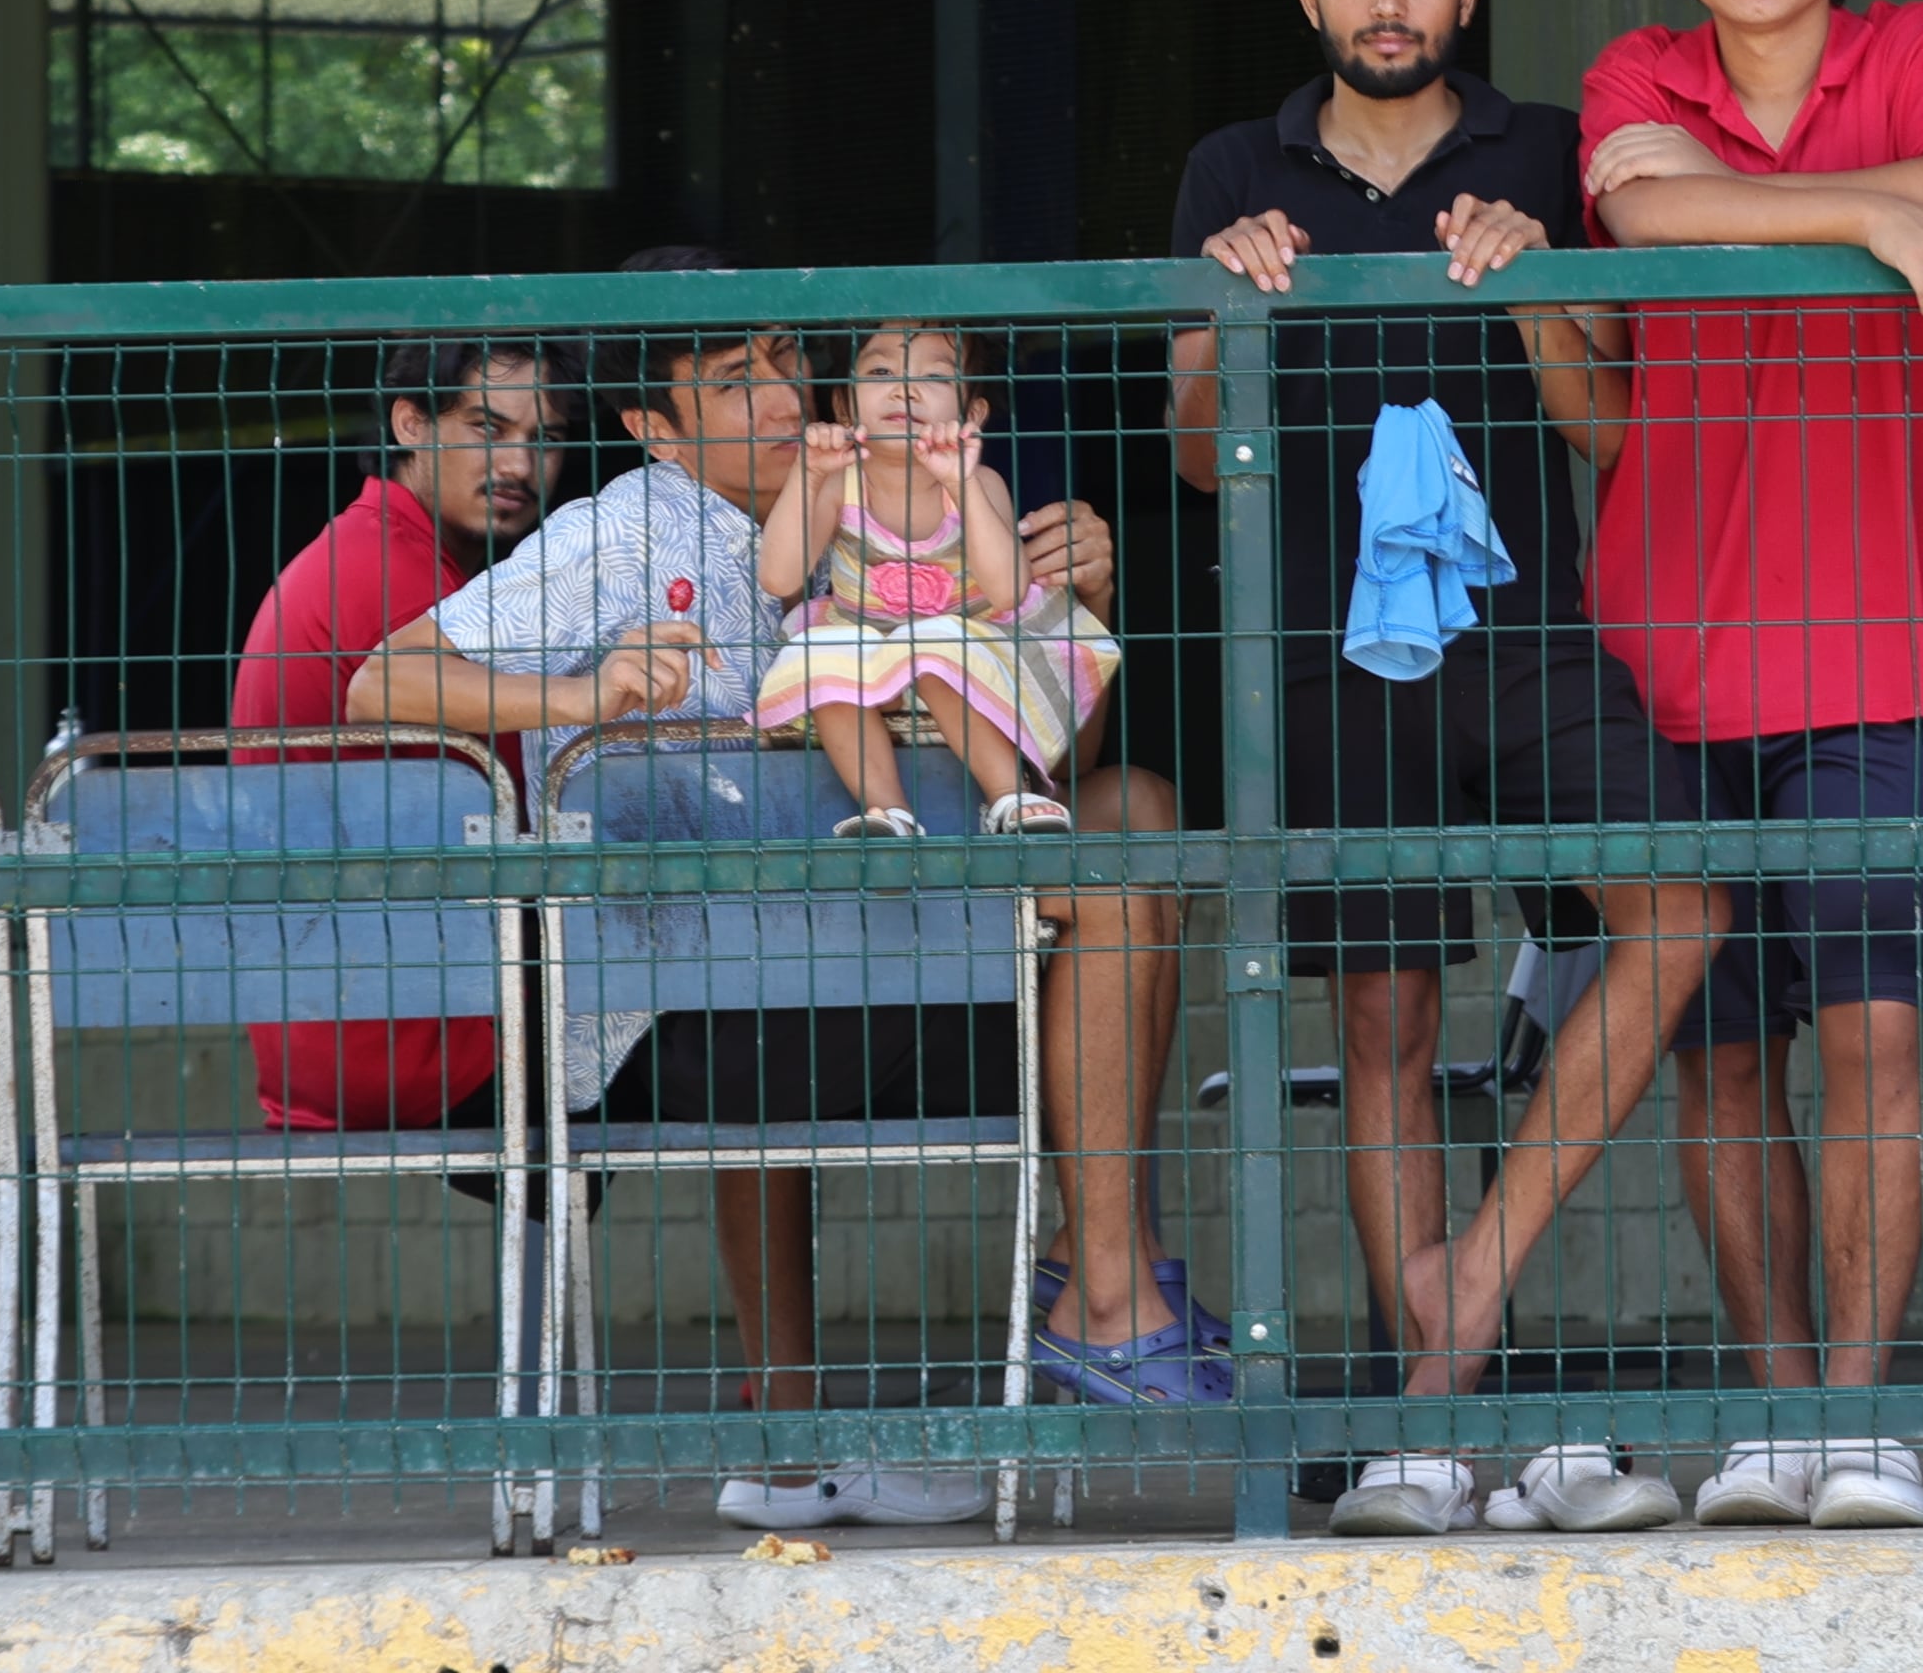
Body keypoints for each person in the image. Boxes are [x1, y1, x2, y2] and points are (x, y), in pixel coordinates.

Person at [346, 249, 1199, 1533]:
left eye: (792, 361)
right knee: (769, 952)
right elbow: (384, 682)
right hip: (701, 1016)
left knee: (1135, 814)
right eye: (735, 381)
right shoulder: (617, 531)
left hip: (910, 946)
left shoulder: (904, 493)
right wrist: (579, 698)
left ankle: (1095, 1281)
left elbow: (1037, 775)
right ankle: (804, 1424)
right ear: (652, 426)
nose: (786, 396)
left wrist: (1071, 599)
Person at [1165, 0, 1726, 1540]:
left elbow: (1606, 433)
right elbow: (1196, 461)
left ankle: (1463, 1295)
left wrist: (1535, 275)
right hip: (1323, 652)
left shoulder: (1541, 151)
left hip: (1530, 633)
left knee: (1679, 900)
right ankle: (1438, 1428)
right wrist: (1221, 310)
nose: (1385, 1)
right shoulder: (1228, 166)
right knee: (1387, 1026)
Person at [1570, 0, 1923, 1533]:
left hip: (1874, 653)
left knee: (1876, 1044)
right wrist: (1866, 215)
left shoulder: (1919, 44)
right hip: (1660, 650)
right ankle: (1769, 1425)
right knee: (1719, 1058)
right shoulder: (1632, 72)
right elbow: (1641, 206)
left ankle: (1863, 1426)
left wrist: (1887, 197)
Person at [232, 338, 571, 1135]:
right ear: (411, 423)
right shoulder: (391, 575)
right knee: (728, 1041)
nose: (521, 465)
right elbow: (543, 805)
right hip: (407, 1037)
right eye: (489, 428)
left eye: (546, 437)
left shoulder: (388, 555)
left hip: (348, 1019)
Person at [754, 323, 1117, 837]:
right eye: (880, 371)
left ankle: (1010, 796)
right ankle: (887, 811)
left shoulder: (979, 482)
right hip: (865, 658)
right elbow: (778, 576)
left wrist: (959, 480)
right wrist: (807, 475)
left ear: (971, 415)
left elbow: (1009, 591)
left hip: (969, 659)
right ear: (842, 406)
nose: (904, 388)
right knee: (817, 651)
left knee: (934, 640)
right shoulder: (838, 483)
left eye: (934, 375)